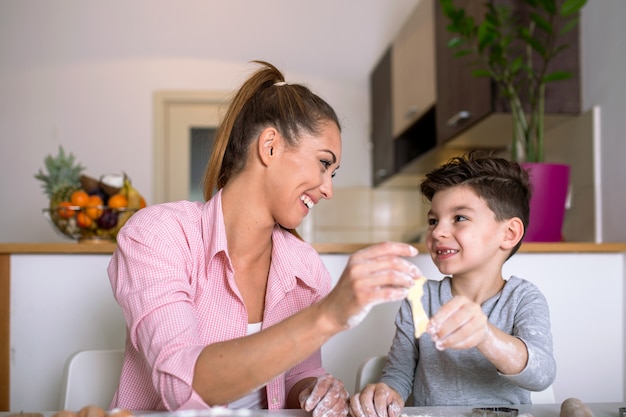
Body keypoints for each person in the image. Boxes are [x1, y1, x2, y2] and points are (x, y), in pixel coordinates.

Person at [107, 61, 422, 414]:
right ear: (270, 146)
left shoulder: (305, 266)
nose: (328, 189)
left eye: (333, 173)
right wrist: (327, 315)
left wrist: (313, 389)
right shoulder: (158, 235)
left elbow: (296, 374)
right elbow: (184, 386)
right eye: (323, 163)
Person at [350, 151, 556, 417]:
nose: (437, 232)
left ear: (509, 233)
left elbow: (541, 374)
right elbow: (399, 374)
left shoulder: (523, 298)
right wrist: (387, 393)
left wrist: (485, 335)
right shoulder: (420, 297)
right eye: (433, 221)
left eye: (459, 218)